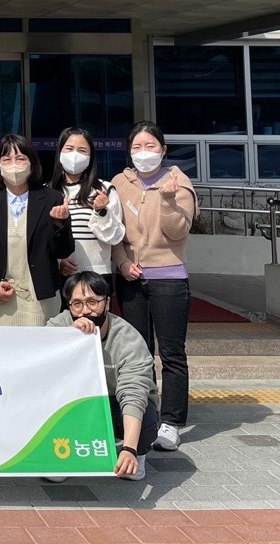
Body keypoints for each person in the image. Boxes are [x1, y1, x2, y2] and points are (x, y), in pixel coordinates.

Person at [112, 121, 198, 452]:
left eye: (150, 146)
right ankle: (144, 414)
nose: (143, 153)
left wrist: (168, 200)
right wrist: (122, 263)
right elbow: (113, 231)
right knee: (139, 352)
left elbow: (177, 232)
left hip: (169, 278)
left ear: (163, 150)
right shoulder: (120, 183)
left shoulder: (178, 182)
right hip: (131, 279)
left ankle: (171, 421)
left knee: (172, 353)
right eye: (137, 147)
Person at [46, 271, 159, 481]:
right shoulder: (59, 326)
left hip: (114, 401)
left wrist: (129, 449)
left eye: (92, 302)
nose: (85, 311)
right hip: (77, 400)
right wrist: (68, 337)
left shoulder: (128, 339)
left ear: (106, 302)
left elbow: (133, 393)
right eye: (77, 304)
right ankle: (63, 455)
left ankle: (136, 454)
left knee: (146, 419)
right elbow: (40, 363)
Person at [0, 133, 74, 326]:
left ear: (32, 163)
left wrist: (59, 225)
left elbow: (63, 251)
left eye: (20, 158)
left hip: (39, 305)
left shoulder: (52, 198)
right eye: (7, 159)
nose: (14, 165)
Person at [49, 128, 126, 284]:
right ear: (60, 153)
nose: (74, 155)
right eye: (69, 149)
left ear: (91, 157)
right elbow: (41, 238)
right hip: (59, 276)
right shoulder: (48, 191)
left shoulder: (104, 190)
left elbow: (115, 237)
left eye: (82, 150)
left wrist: (102, 211)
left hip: (97, 275)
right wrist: (59, 261)